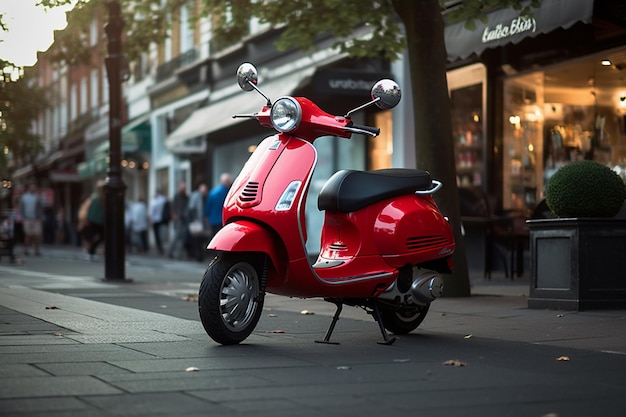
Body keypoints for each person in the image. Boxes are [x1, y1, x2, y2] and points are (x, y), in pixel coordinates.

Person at [19, 183, 43, 256]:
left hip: (36, 219)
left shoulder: (37, 197)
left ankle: (37, 250)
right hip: (27, 218)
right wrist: (23, 217)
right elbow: (22, 207)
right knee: (28, 235)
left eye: (34, 187)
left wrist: (40, 216)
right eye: (32, 187)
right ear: (29, 188)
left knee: (37, 235)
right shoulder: (24, 197)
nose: (33, 188)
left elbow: (40, 207)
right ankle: (26, 250)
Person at [167, 181, 189, 259]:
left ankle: (179, 254)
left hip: (184, 219)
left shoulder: (186, 197)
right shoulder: (177, 196)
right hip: (179, 219)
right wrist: (174, 215)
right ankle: (170, 252)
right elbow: (173, 207)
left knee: (182, 238)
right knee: (176, 237)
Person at [186, 182, 208, 261]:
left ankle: (198, 255)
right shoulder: (197, 196)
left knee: (199, 238)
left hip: (199, 220)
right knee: (196, 238)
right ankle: (197, 255)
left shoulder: (202, 197)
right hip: (197, 221)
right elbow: (192, 208)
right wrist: (195, 218)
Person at [85, 181, 105, 260]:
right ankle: (92, 250)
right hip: (97, 221)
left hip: (95, 221)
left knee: (98, 237)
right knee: (100, 237)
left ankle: (92, 250)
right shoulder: (97, 198)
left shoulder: (95, 197)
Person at [149, 188, 168, 255]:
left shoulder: (155, 201)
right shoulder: (162, 199)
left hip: (156, 220)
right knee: (159, 234)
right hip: (160, 219)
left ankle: (160, 247)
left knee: (157, 235)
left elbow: (151, 212)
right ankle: (160, 248)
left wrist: (150, 220)